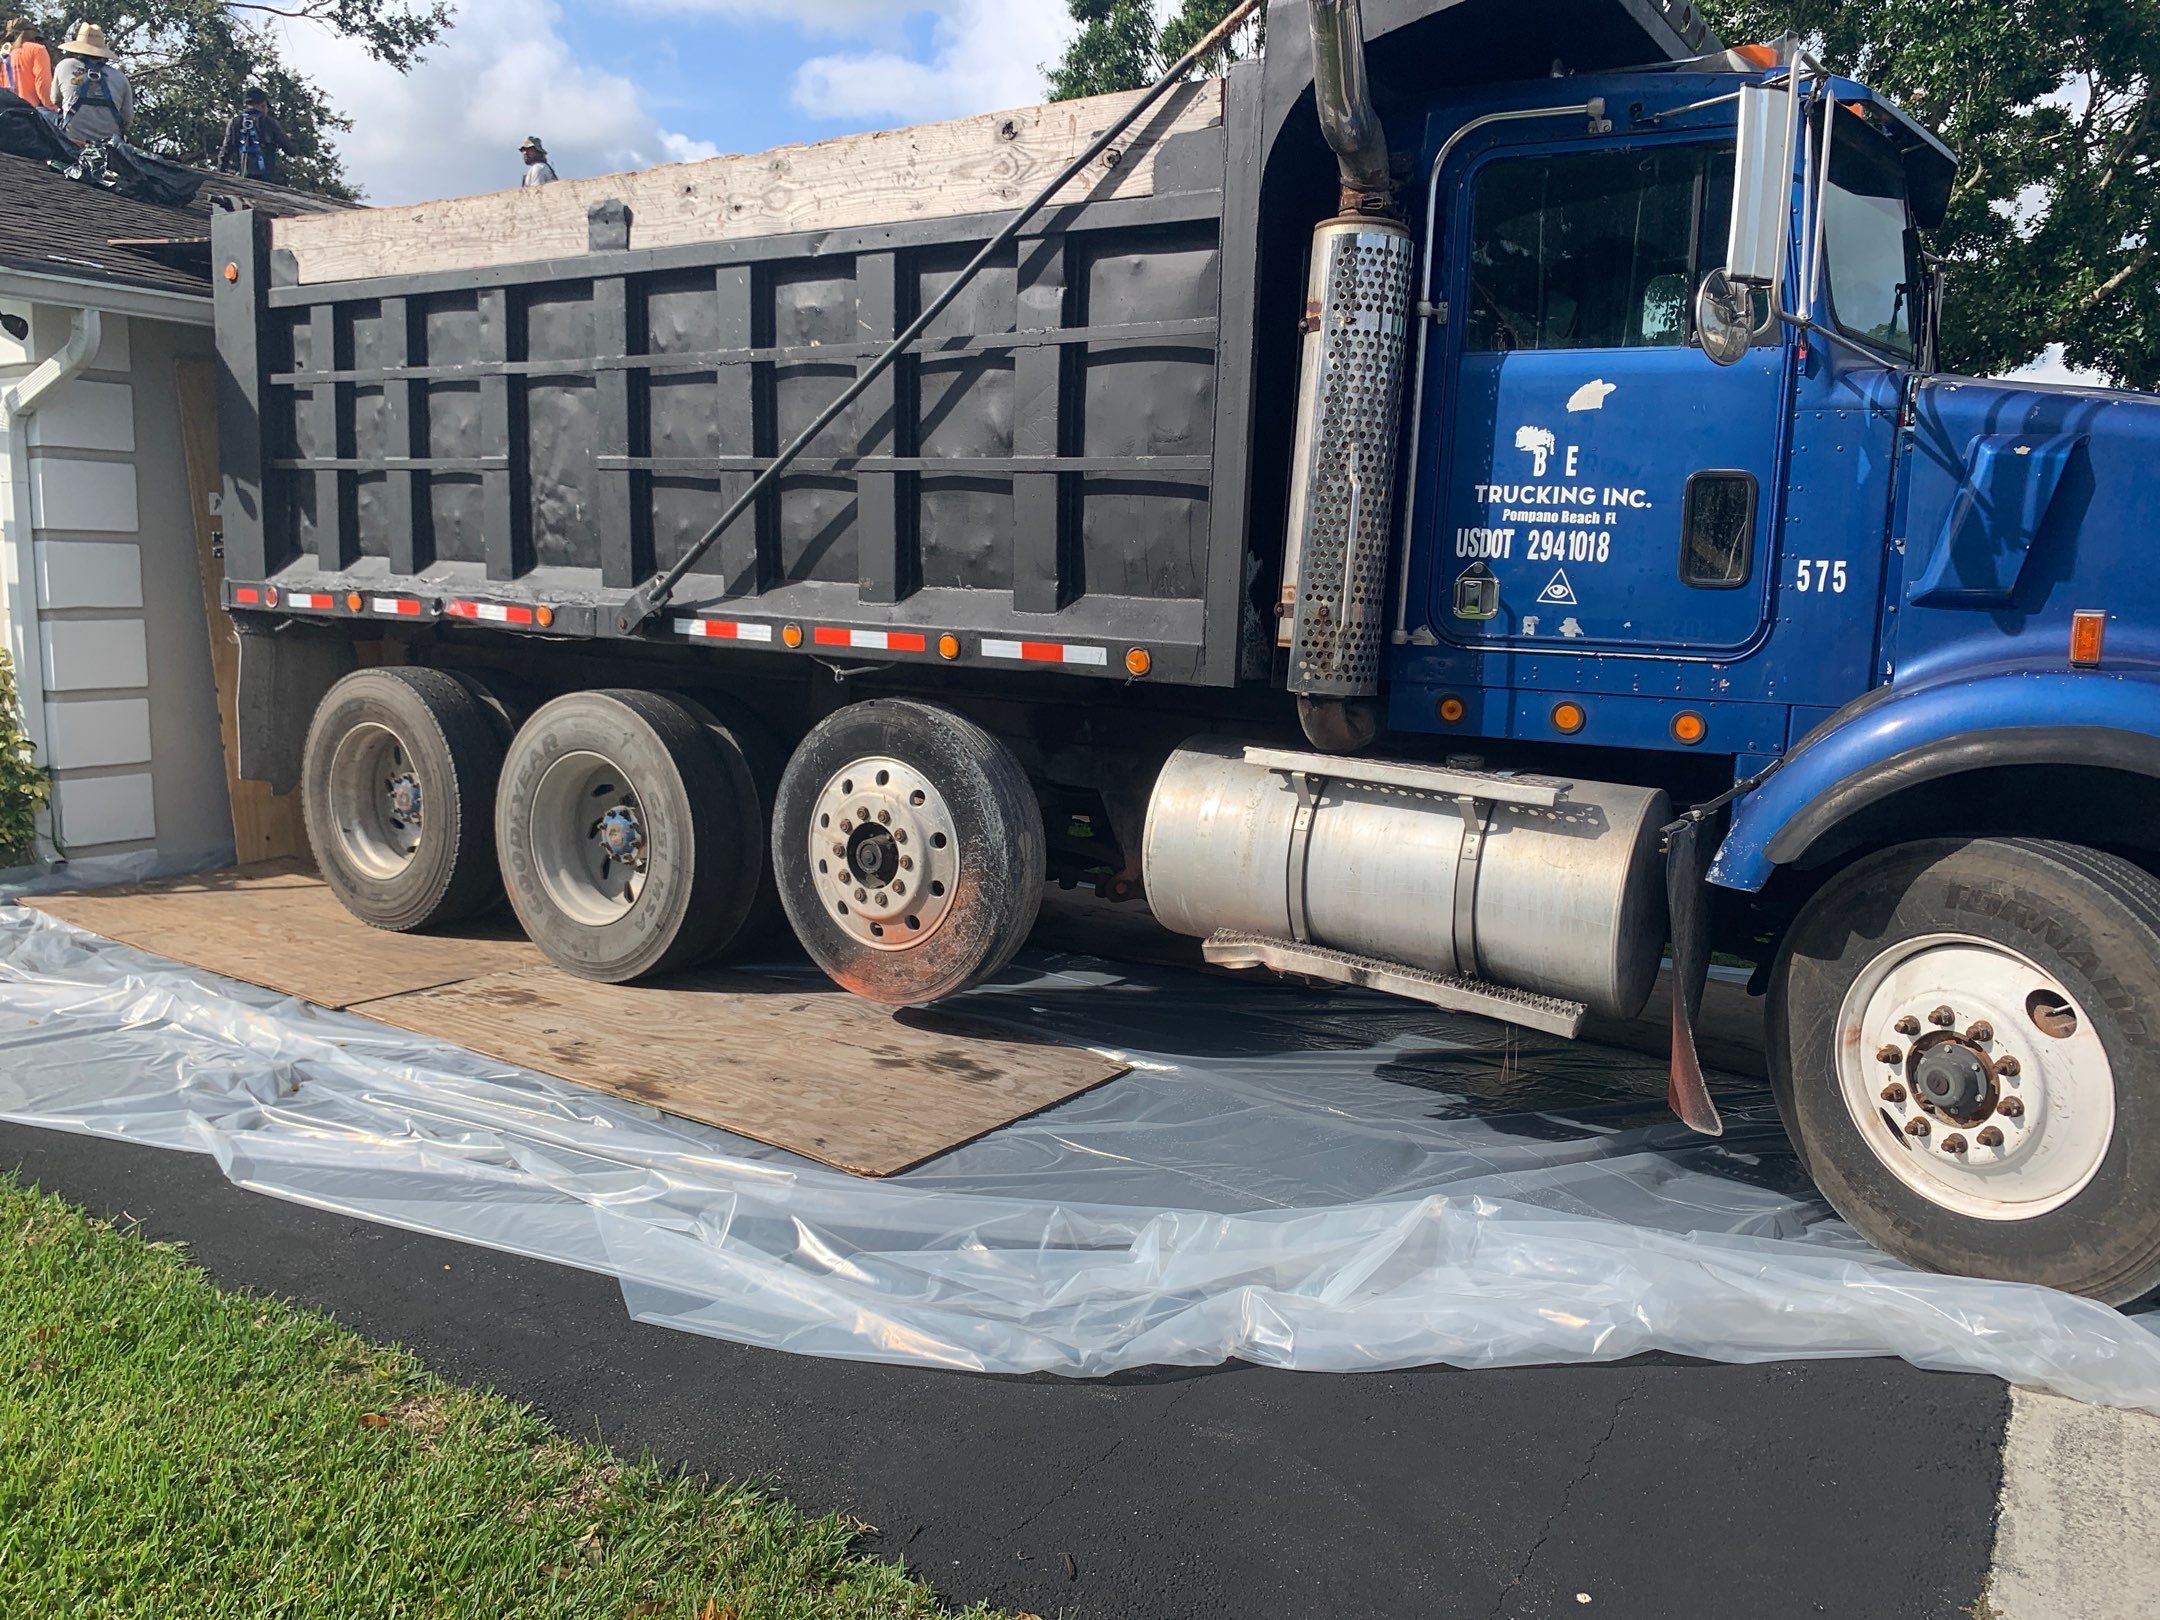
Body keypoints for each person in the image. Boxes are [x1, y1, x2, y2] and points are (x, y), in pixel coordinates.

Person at [52, 22, 130, 146]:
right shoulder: (120, 77)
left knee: (43, 113)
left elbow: (55, 100)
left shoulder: (65, 66)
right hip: (109, 146)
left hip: (73, 140)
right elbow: (127, 118)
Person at [217, 86, 293, 182]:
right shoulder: (270, 122)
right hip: (267, 183)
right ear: (263, 105)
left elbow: (225, 154)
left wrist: (220, 176)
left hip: (242, 180)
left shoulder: (235, 122)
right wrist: (289, 138)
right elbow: (291, 150)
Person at [2, 19, 54, 112]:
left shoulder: (3, 54)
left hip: (5, 113)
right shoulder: (37, 49)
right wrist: (51, 106)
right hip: (29, 112)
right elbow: (42, 84)